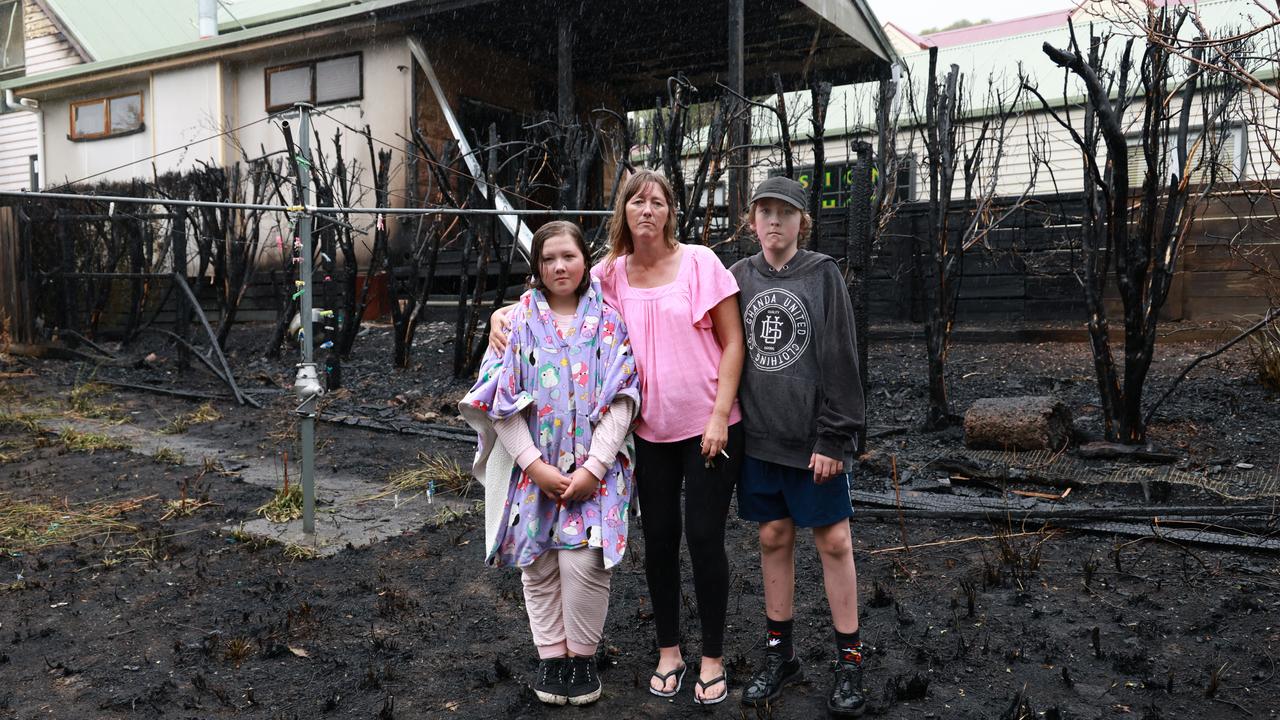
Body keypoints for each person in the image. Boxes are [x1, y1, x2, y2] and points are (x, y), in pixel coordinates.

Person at [489, 170, 745, 705]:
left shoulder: (700, 263)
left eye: (657, 201)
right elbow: (555, 286)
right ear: (623, 212)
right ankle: (669, 651)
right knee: (659, 542)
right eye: (636, 201)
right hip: (650, 433)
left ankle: (714, 658)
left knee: (703, 537)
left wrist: (721, 414)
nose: (646, 209)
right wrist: (503, 313)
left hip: (709, 429)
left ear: (671, 210)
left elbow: (733, 340)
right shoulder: (609, 274)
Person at [460, 221, 640, 707]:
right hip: (532, 471)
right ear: (536, 267)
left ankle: (582, 658)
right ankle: (551, 657)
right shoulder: (516, 324)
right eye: (548, 259)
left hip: (595, 475)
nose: (559, 266)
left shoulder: (609, 321)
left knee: (585, 560)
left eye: (569, 256)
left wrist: (596, 467)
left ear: (586, 261)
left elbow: (623, 398)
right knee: (537, 562)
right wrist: (534, 465)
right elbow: (500, 400)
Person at [729, 176, 868, 717]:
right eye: (764, 212)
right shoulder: (738, 277)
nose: (773, 222)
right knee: (772, 536)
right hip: (761, 441)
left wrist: (836, 435)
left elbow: (841, 359)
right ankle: (779, 653)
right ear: (753, 219)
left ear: (800, 222)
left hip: (815, 444)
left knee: (834, 541)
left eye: (784, 213)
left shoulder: (822, 275)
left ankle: (850, 660)